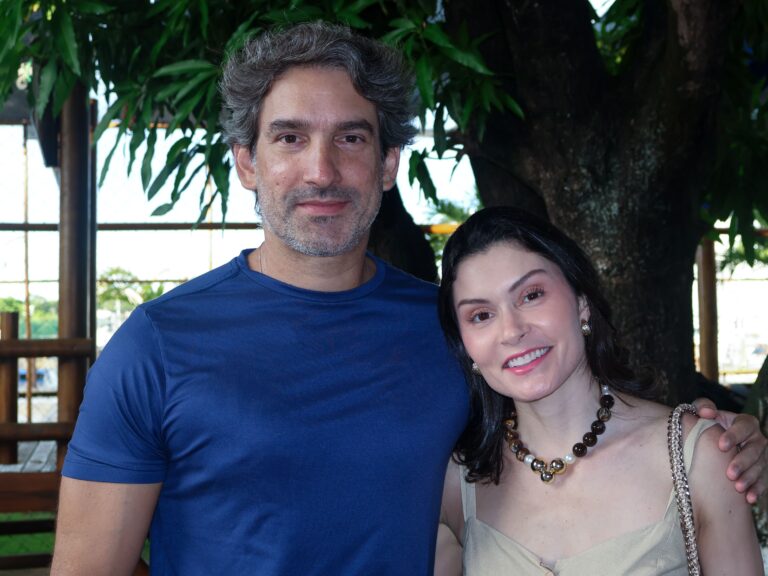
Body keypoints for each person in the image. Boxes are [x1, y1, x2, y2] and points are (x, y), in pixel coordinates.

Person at [50, 22, 765, 576]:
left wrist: (726, 446)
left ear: (388, 164)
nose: (321, 170)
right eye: (290, 138)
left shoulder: (454, 329)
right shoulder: (157, 346)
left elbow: (564, 431)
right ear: (246, 162)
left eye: (350, 138)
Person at [435, 207, 764, 575]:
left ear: (581, 303)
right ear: (465, 346)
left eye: (531, 295)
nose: (511, 331)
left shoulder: (697, 458)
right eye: (481, 315)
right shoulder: (453, 483)